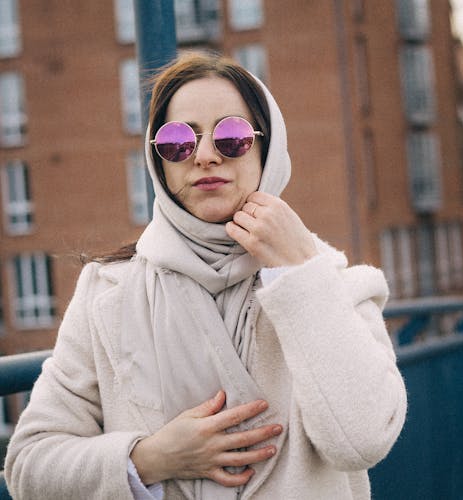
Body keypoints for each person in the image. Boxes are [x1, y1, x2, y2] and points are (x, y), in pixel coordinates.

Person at [5, 52, 407, 500]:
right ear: (159, 160)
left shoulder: (332, 282)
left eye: (232, 137)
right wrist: (150, 458)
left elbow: (362, 440)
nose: (205, 156)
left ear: (268, 149)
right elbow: (28, 465)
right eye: (178, 141)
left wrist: (299, 274)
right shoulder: (109, 292)